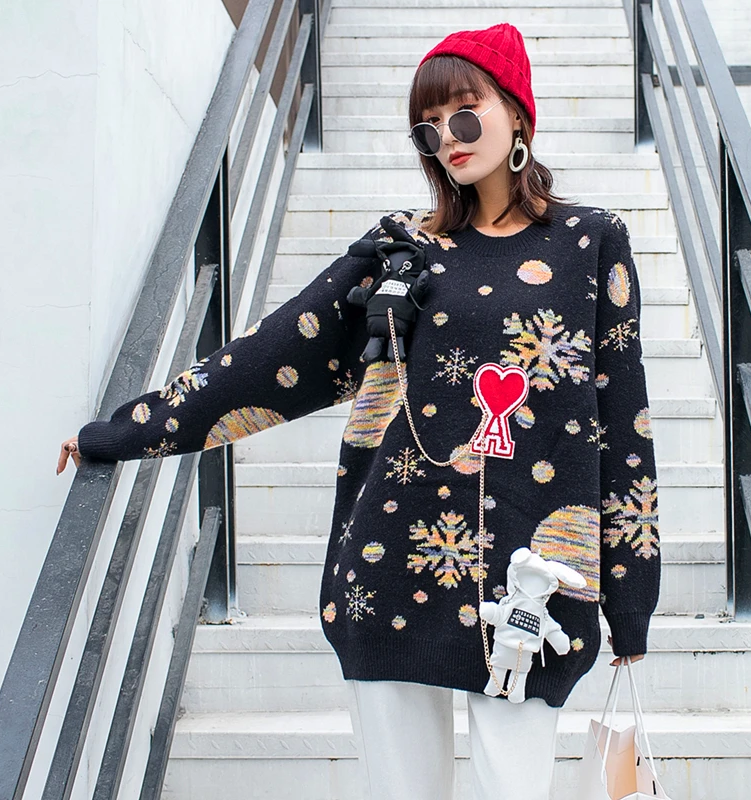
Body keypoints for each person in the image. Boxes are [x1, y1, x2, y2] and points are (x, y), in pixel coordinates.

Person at [58, 23, 659, 800]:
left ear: (517, 112)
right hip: (390, 561)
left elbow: (625, 424)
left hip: (531, 585)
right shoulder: (401, 250)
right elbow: (271, 358)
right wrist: (123, 432)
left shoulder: (592, 243)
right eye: (428, 128)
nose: (447, 139)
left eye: (464, 114)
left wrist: (630, 601)